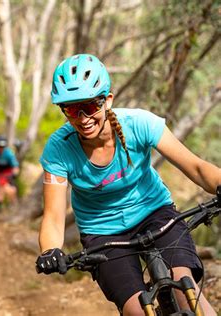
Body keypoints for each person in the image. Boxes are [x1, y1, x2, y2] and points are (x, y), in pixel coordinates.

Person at [35, 53, 219, 315]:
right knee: (137, 310)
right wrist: (50, 250)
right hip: (103, 233)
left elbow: (198, 169)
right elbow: (53, 217)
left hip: (156, 214)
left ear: (107, 100)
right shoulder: (58, 148)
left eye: (90, 105)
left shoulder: (139, 124)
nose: (83, 118)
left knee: (185, 289)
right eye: (72, 109)